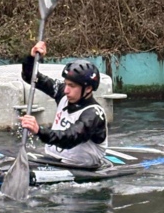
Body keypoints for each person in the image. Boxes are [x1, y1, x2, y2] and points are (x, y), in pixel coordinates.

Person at [19, 40, 107, 169]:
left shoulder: (93, 114)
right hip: (53, 160)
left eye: (72, 86)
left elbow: (70, 138)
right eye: (66, 83)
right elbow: (30, 77)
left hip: (81, 167)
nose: (66, 90)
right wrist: (32, 58)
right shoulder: (63, 93)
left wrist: (39, 131)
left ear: (87, 89)